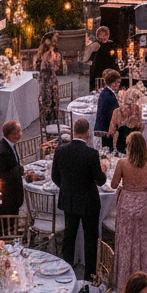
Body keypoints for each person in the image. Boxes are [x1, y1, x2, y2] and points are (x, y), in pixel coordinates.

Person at [52, 117, 107, 278]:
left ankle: (66, 270)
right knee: (90, 238)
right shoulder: (91, 154)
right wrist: (103, 169)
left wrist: (68, 188)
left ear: (73, 131)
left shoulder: (60, 150)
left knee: (69, 236)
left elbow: (55, 176)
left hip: (69, 200)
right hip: (89, 202)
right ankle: (90, 275)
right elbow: (100, 180)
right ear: (87, 132)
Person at [110, 131, 147, 289]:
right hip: (142, 203)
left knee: (125, 240)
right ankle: (142, 277)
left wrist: (126, 185)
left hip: (126, 202)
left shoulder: (122, 163)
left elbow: (113, 184)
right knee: (142, 242)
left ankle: (124, 276)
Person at [0, 119, 26, 216]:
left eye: (20, 132)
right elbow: (0, 176)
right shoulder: (2, 152)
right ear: (8, 134)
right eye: (15, 134)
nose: (19, 135)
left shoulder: (10, 144)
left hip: (13, 194)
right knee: (7, 223)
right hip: (7, 196)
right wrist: (19, 170)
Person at [35, 32, 62, 129]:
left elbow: (54, 67)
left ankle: (53, 124)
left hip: (51, 80)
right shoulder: (43, 53)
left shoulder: (54, 53)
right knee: (46, 102)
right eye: (54, 38)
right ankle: (47, 126)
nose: (55, 41)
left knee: (53, 101)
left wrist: (53, 54)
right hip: (45, 81)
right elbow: (40, 66)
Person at [109, 85, 144, 155]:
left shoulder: (117, 111)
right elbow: (140, 127)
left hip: (121, 145)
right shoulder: (137, 110)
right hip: (134, 145)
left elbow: (111, 131)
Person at [94, 69, 121, 151]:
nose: (117, 85)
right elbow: (113, 113)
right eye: (116, 82)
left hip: (104, 126)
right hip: (107, 127)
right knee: (108, 148)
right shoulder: (109, 96)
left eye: (118, 82)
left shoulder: (106, 92)